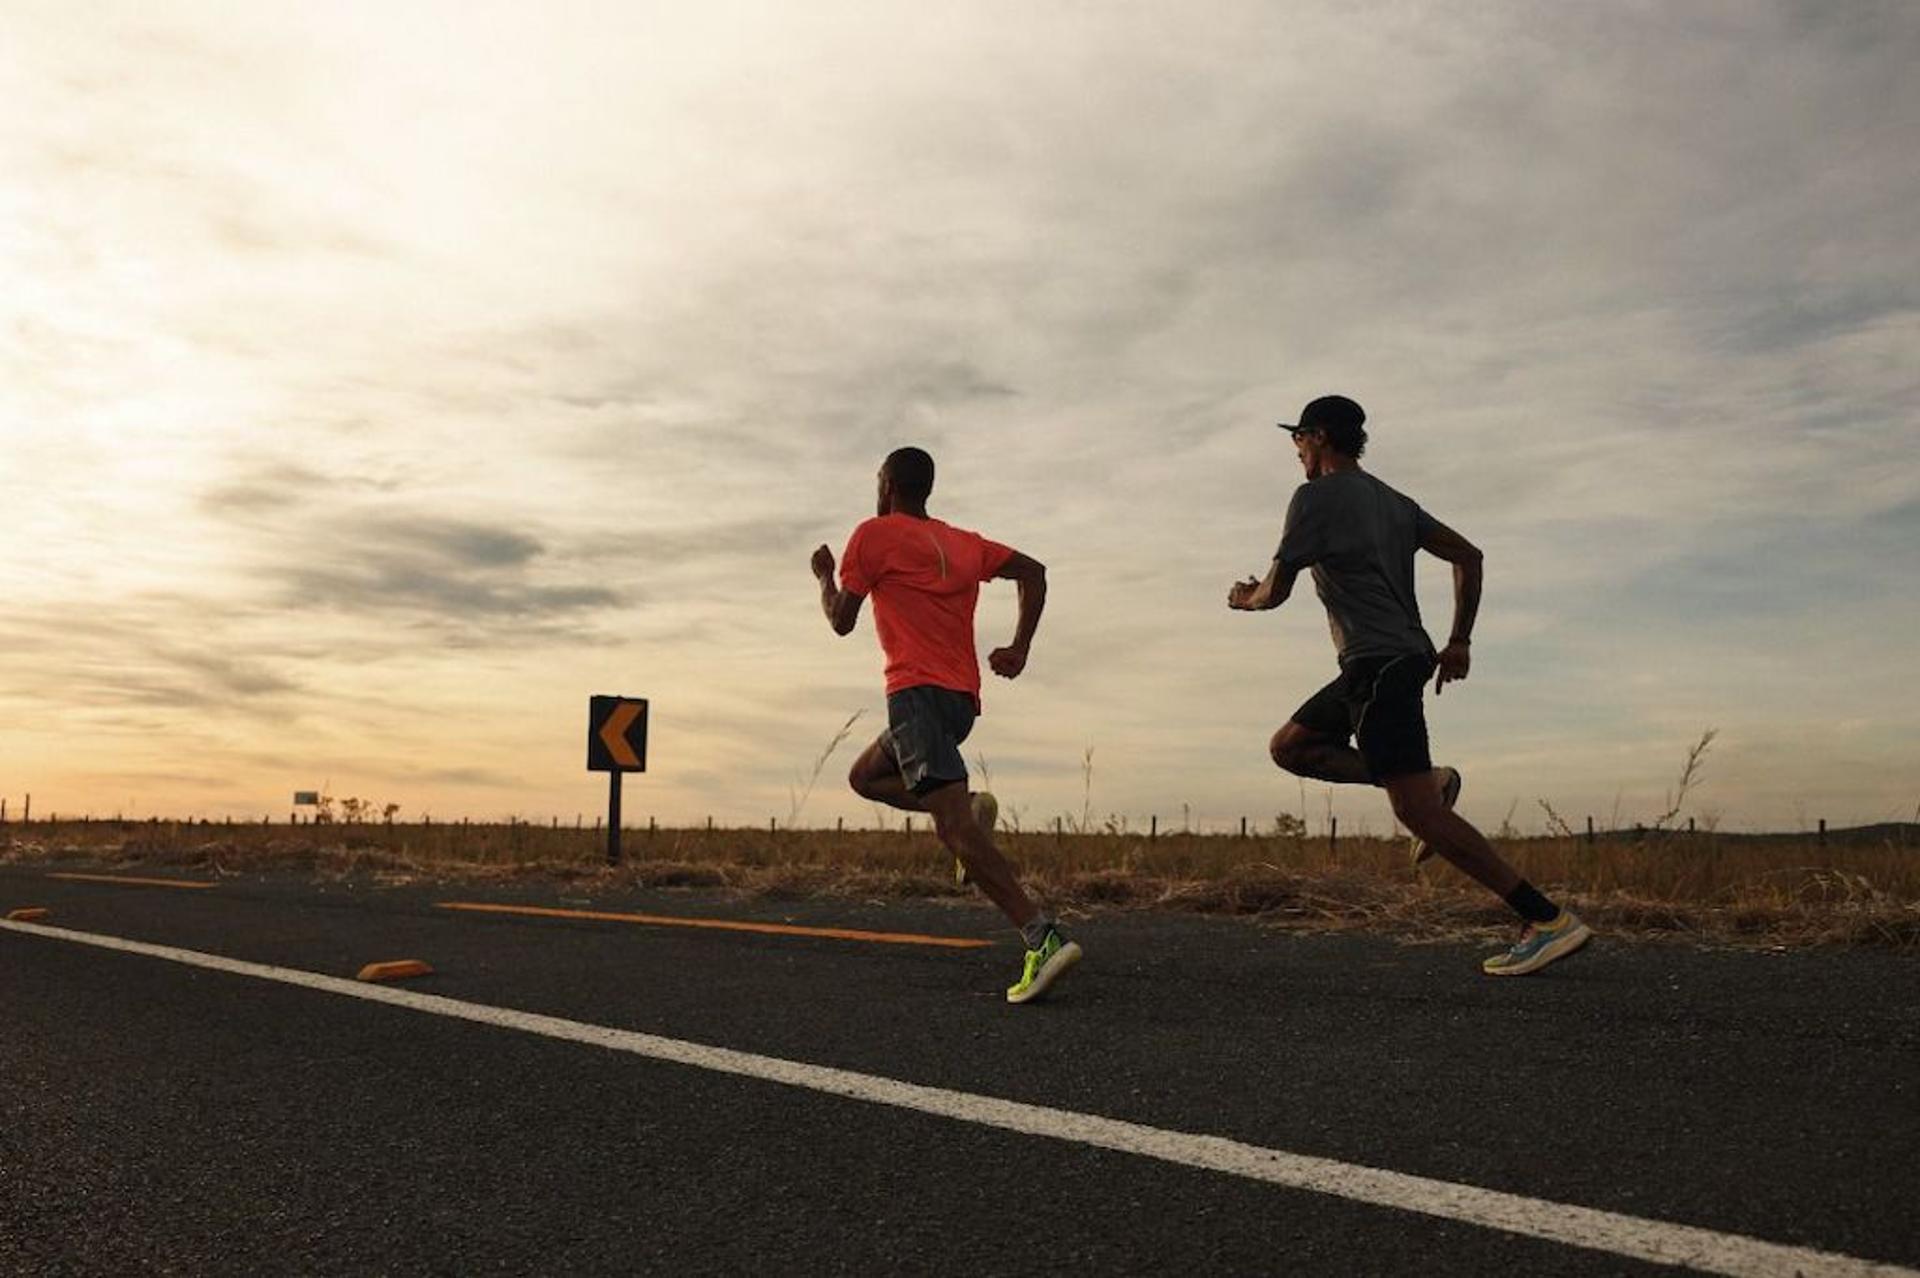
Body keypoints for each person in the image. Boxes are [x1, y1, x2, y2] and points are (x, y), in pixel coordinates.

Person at [1228, 395, 1591, 976]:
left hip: (1379, 666)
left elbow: (1275, 590)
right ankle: (1437, 781)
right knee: (1290, 747)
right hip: (1392, 661)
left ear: (1318, 437)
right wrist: (1460, 640)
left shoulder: (1313, 498)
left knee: (1420, 816)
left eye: (1297, 439)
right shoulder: (1394, 503)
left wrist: (1244, 597)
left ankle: (1546, 920)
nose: (1294, 450)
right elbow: (1469, 556)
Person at [811, 446, 1081, 1003]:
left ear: (886, 484)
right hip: (960, 702)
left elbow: (841, 620)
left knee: (952, 828)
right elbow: (1034, 572)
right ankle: (975, 807)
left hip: (914, 694)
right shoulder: (962, 543)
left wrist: (822, 576)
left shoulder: (872, 535)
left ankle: (1040, 935)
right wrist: (1020, 649)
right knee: (865, 778)